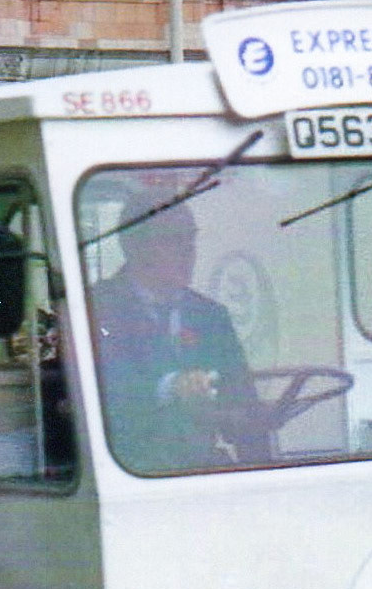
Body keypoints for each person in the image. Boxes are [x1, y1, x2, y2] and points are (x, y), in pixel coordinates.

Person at [89, 201, 263, 470]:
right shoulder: (96, 308)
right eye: (173, 240)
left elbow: (242, 398)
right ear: (134, 247)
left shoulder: (211, 316)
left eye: (191, 241)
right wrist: (171, 387)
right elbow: (106, 391)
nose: (188, 252)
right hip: (126, 470)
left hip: (199, 470)